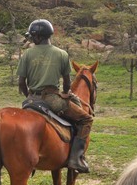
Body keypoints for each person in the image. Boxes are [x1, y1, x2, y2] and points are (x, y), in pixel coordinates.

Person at [17, 19, 94, 173]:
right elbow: (66, 83)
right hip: (52, 99)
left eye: (32, 37)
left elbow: (21, 83)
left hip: (30, 100)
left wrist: (29, 96)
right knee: (87, 119)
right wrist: (65, 93)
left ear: (38, 37)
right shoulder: (61, 54)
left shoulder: (27, 54)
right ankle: (75, 159)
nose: (32, 40)